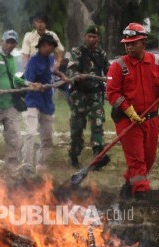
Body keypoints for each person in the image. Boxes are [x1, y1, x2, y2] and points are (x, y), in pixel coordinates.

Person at [107, 23, 159, 199]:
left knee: (148, 159)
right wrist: (128, 110)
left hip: (151, 120)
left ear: (143, 42)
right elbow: (112, 93)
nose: (129, 47)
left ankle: (129, 185)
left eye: (133, 43)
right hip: (127, 120)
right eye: (126, 44)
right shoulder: (118, 65)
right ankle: (142, 194)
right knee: (137, 160)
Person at [21, 34, 67, 175]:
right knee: (30, 132)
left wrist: (62, 77)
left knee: (47, 137)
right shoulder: (33, 61)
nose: (50, 48)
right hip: (33, 101)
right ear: (40, 46)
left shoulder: (51, 60)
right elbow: (27, 80)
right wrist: (34, 85)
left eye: (52, 46)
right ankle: (27, 165)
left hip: (47, 102)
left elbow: (53, 73)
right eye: (47, 45)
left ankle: (41, 163)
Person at [0, 30, 29, 173]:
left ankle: (13, 169)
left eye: (13, 43)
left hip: (10, 105)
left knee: (15, 138)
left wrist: (27, 84)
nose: (10, 45)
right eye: (8, 42)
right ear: (2, 41)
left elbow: (13, 78)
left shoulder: (12, 59)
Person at [66, 24, 110, 169]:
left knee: (97, 123)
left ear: (98, 38)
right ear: (85, 37)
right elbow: (70, 70)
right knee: (77, 127)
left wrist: (112, 78)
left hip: (95, 94)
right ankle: (74, 154)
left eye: (95, 37)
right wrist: (77, 76)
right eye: (89, 36)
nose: (92, 39)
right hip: (79, 95)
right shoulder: (77, 52)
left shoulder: (101, 54)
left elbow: (109, 70)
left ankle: (98, 156)